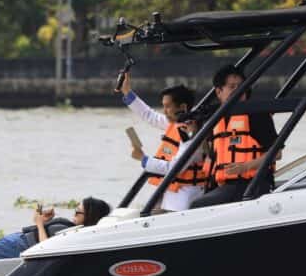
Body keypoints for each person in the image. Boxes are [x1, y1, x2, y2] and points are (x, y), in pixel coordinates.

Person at [191, 64, 280, 208]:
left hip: (251, 185)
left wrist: (245, 166)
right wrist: (195, 131)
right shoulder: (214, 118)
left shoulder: (256, 115)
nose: (238, 90)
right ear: (219, 92)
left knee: (197, 205)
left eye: (240, 86)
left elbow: (277, 153)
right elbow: (210, 154)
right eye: (232, 86)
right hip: (223, 185)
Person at [119, 73, 208, 211]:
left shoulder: (191, 133)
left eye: (168, 106)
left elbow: (174, 168)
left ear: (183, 108)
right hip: (169, 191)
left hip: (184, 197)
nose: (164, 111)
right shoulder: (176, 124)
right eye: (163, 106)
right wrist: (127, 92)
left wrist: (143, 159)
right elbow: (149, 115)